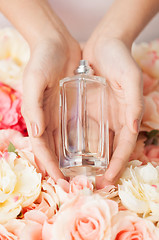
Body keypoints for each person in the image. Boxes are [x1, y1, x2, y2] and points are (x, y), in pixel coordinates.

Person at [0, 0, 158, 188]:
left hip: (136, 23)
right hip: (26, 23)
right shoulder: (68, 83)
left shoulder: (98, 83)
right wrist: (48, 38)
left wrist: (115, 36)